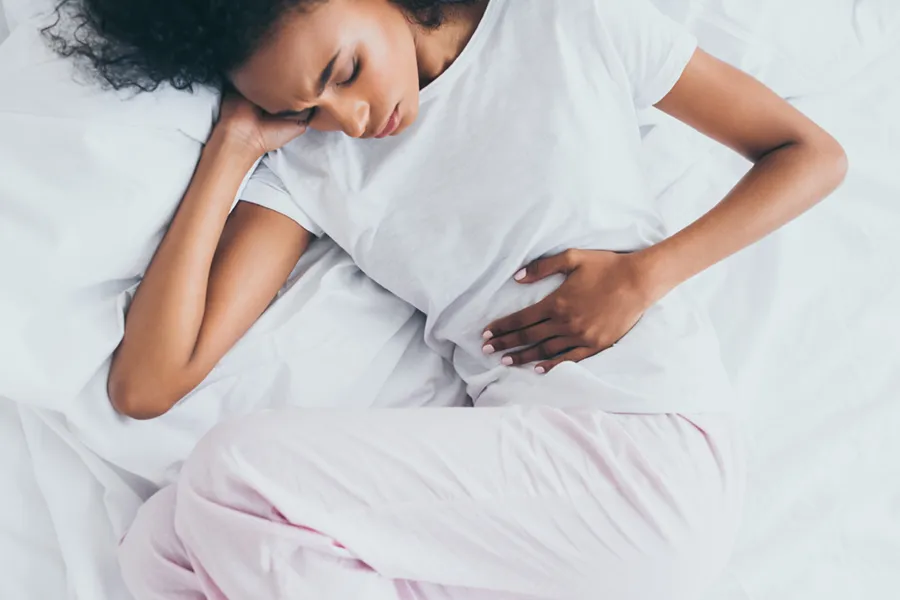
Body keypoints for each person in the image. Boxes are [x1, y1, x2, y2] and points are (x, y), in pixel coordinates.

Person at [47, 0, 847, 597]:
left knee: (234, 471)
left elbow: (809, 153)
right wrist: (233, 148)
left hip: (645, 457)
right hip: (518, 511)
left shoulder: (564, 24)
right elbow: (147, 385)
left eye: (345, 71)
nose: (350, 119)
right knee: (160, 544)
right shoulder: (315, 163)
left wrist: (646, 276)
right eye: (304, 109)